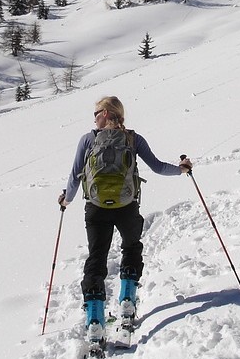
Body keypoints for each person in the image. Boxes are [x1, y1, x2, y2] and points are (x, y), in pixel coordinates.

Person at [58, 96, 192, 343]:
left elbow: (75, 175)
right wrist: (181, 169)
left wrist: (66, 200)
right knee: (131, 248)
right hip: (127, 206)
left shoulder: (88, 139)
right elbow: (158, 167)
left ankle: (95, 321)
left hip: (96, 208)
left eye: (96, 113)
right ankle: (128, 301)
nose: (94, 118)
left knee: (96, 257)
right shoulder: (133, 139)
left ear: (105, 113)